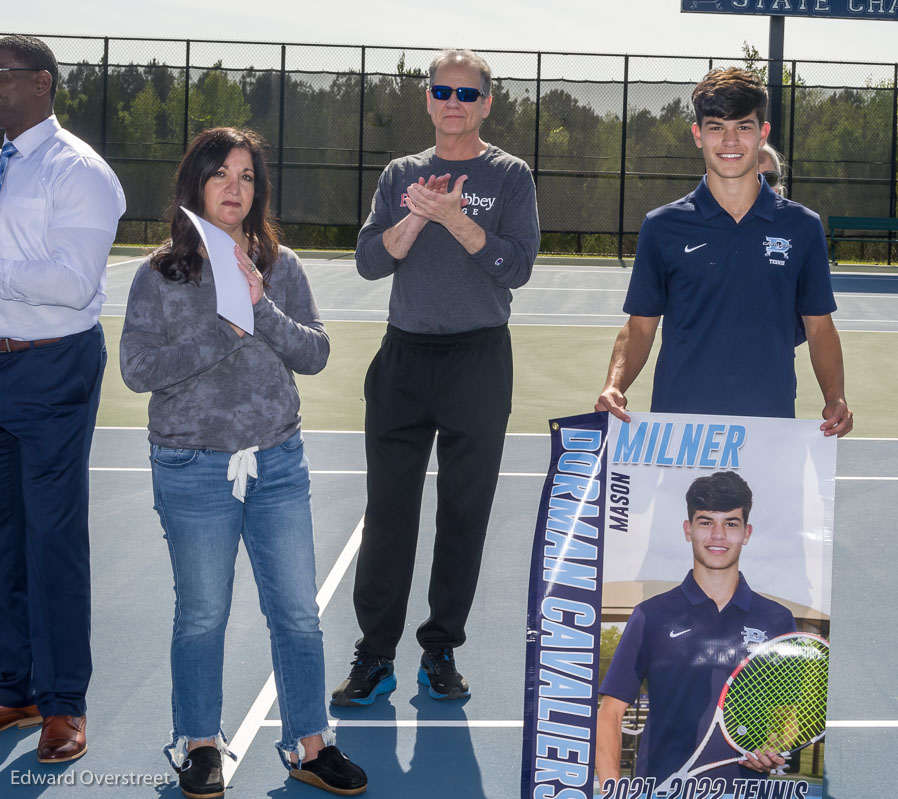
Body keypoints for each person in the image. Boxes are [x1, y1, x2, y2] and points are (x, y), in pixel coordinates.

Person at [120, 127, 366, 797]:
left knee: (296, 613)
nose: (236, 186)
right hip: (191, 468)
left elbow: (313, 352)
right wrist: (219, 332)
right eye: (222, 173)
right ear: (195, 184)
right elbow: (138, 370)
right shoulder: (160, 272)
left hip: (277, 463)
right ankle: (199, 743)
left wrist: (261, 307)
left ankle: (310, 743)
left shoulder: (280, 265)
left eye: (247, 176)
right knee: (202, 613)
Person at [333, 48, 539, 706]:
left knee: (463, 516)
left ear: (485, 103)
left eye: (466, 92)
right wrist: (419, 213)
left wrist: (458, 220)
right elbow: (369, 260)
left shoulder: (510, 176)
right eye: (441, 90)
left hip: (478, 363)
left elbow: (517, 265)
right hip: (403, 361)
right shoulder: (402, 173)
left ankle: (440, 647)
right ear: (427, 99)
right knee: (388, 515)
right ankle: (375, 654)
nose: (453, 101)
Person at [595, 68, 852, 434]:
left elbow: (821, 330)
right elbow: (639, 328)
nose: (730, 141)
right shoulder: (662, 226)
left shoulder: (803, 227)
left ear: (762, 134)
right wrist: (614, 385)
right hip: (678, 429)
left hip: (769, 428)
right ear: (698, 135)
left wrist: (835, 395)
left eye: (743, 127)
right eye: (716, 127)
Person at [0, 34, 125, 764]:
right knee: (5, 536)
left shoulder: (80, 172)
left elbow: (73, 281)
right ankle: (13, 686)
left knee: (51, 538)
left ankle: (62, 703)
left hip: (51, 369)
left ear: (41, 83)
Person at [596, 472, 797, 785]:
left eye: (731, 523)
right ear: (688, 530)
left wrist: (776, 745)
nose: (718, 535)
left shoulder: (777, 619)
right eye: (706, 522)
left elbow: (788, 714)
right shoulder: (651, 615)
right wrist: (613, 792)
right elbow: (610, 714)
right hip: (662, 790)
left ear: (747, 533)